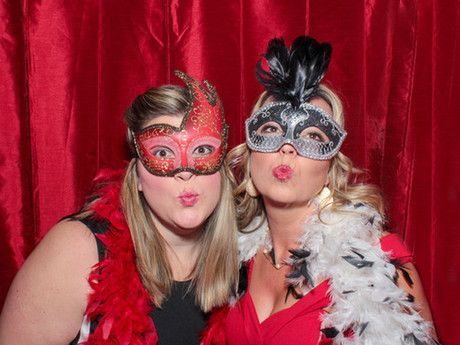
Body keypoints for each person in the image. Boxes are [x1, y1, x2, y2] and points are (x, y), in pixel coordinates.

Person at [203, 36, 439, 345]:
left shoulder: (378, 265)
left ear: (330, 169)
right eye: (271, 130)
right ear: (250, 158)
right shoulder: (234, 257)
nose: (287, 147)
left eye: (312, 136)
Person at [0, 71, 238, 345]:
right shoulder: (80, 250)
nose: (185, 173)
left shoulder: (245, 259)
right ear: (136, 177)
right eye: (162, 153)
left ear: (222, 169)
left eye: (202, 151)